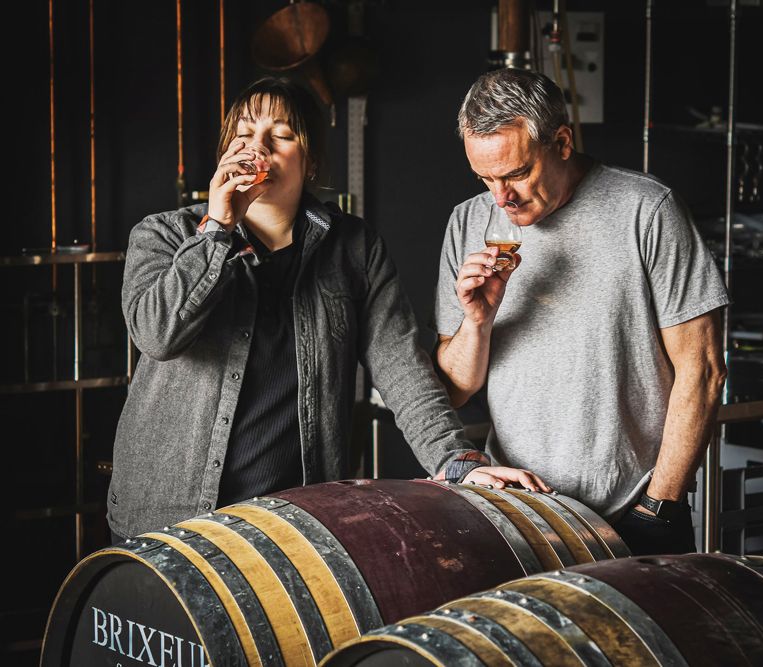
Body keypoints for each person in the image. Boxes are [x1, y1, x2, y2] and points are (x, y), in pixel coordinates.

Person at [108, 76, 548, 541]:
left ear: (311, 159)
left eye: (279, 135)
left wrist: (455, 460)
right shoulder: (164, 235)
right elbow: (157, 335)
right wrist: (217, 227)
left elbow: (403, 369)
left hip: (291, 519)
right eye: (242, 134)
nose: (256, 149)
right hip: (167, 517)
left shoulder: (354, 249)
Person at [434, 68, 729, 556]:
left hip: (631, 513)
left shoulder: (646, 210)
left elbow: (703, 370)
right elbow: (457, 387)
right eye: (485, 177)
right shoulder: (468, 221)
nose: (500, 198)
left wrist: (660, 507)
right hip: (514, 515)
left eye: (515, 174)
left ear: (563, 142)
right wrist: (476, 321)